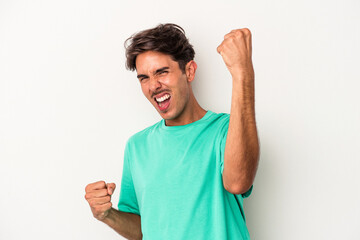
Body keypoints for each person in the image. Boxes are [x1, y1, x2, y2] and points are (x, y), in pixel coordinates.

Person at [85, 23, 259, 240]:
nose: (153, 86)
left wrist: (243, 75)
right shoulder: (137, 146)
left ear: (189, 71)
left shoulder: (226, 129)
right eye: (144, 78)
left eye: (162, 72)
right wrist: (107, 215)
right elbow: (143, 228)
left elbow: (238, 182)